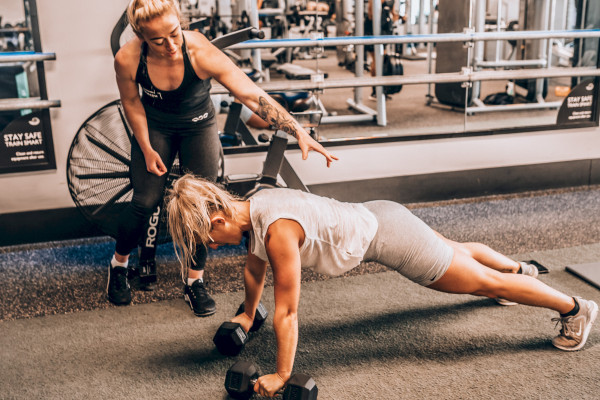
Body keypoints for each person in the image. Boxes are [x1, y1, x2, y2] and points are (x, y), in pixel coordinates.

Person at [164, 174, 598, 397]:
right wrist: (245, 311)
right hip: (378, 213)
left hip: (389, 239)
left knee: (482, 283)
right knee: (459, 251)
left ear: (217, 218)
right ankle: (522, 271)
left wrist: (282, 374)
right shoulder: (253, 203)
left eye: (207, 238)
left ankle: (574, 309)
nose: (211, 246)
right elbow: (253, 269)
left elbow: (289, 311)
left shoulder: (278, 232)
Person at [107, 0, 338, 316]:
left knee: (203, 207)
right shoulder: (128, 59)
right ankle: (118, 265)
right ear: (141, 37)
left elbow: (249, 94)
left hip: (198, 126)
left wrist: (297, 129)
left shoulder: (200, 51)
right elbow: (132, 102)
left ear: (181, 24)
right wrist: (146, 148)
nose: (170, 45)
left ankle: (193, 281)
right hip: (156, 128)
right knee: (145, 201)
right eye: (157, 40)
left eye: (175, 33)